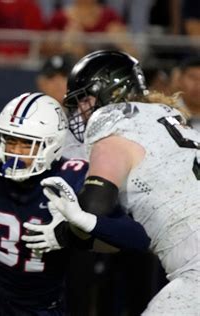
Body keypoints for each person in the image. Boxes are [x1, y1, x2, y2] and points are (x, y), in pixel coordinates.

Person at [41, 50, 200, 315]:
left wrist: (67, 230)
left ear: (110, 92)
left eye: (85, 101)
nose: (81, 112)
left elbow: (93, 207)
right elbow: (132, 237)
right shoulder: (166, 117)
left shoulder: (113, 125)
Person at [0, 92, 150, 315]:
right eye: (10, 141)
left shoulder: (72, 178)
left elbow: (139, 238)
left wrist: (80, 224)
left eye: (27, 145)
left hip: (42, 306)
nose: (14, 153)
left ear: (52, 146)